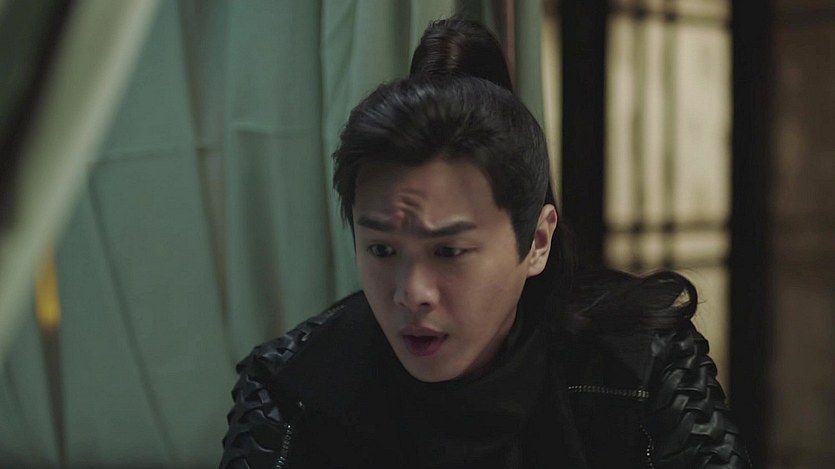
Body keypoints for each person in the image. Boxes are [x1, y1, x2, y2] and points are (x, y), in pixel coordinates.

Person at [220, 18, 749, 469]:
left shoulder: (638, 365)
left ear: (537, 241)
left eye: (448, 252)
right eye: (382, 250)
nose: (412, 293)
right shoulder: (292, 389)